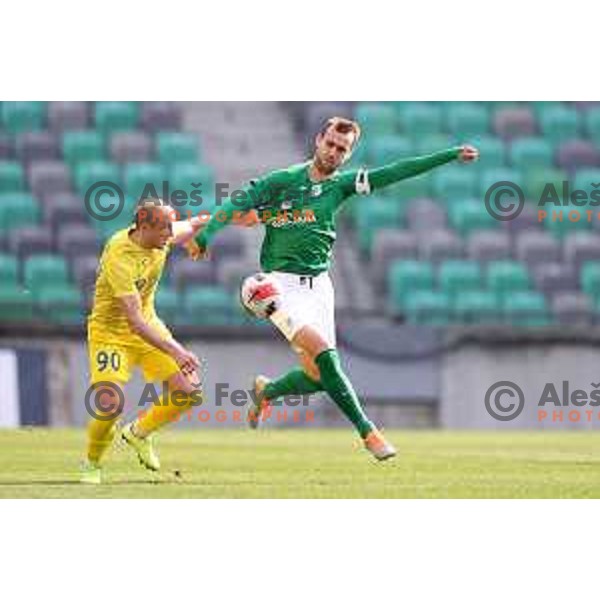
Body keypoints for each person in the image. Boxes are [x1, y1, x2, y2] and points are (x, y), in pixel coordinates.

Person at [190, 116, 479, 461]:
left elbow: (396, 171)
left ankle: (269, 390)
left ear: (348, 154)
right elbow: (239, 204)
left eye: (342, 149)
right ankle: (368, 432)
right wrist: (207, 233)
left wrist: (448, 155)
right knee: (325, 353)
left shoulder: (340, 186)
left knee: (317, 377)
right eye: (330, 143)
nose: (333, 151)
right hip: (278, 289)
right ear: (318, 140)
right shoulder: (283, 182)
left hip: (319, 290)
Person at [80, 199, 204, 484]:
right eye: (164, 230)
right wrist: (178, 350)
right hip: (111, 335)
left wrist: (236, 217)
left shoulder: (161, 235)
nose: (169, 235)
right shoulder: (120, 255)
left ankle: (138, 433)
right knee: (107, 405)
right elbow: (133, 321)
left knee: (188, 391)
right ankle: (91, 462)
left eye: (170, 229)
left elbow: (197, 223)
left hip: (149, 327)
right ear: (144, 227)